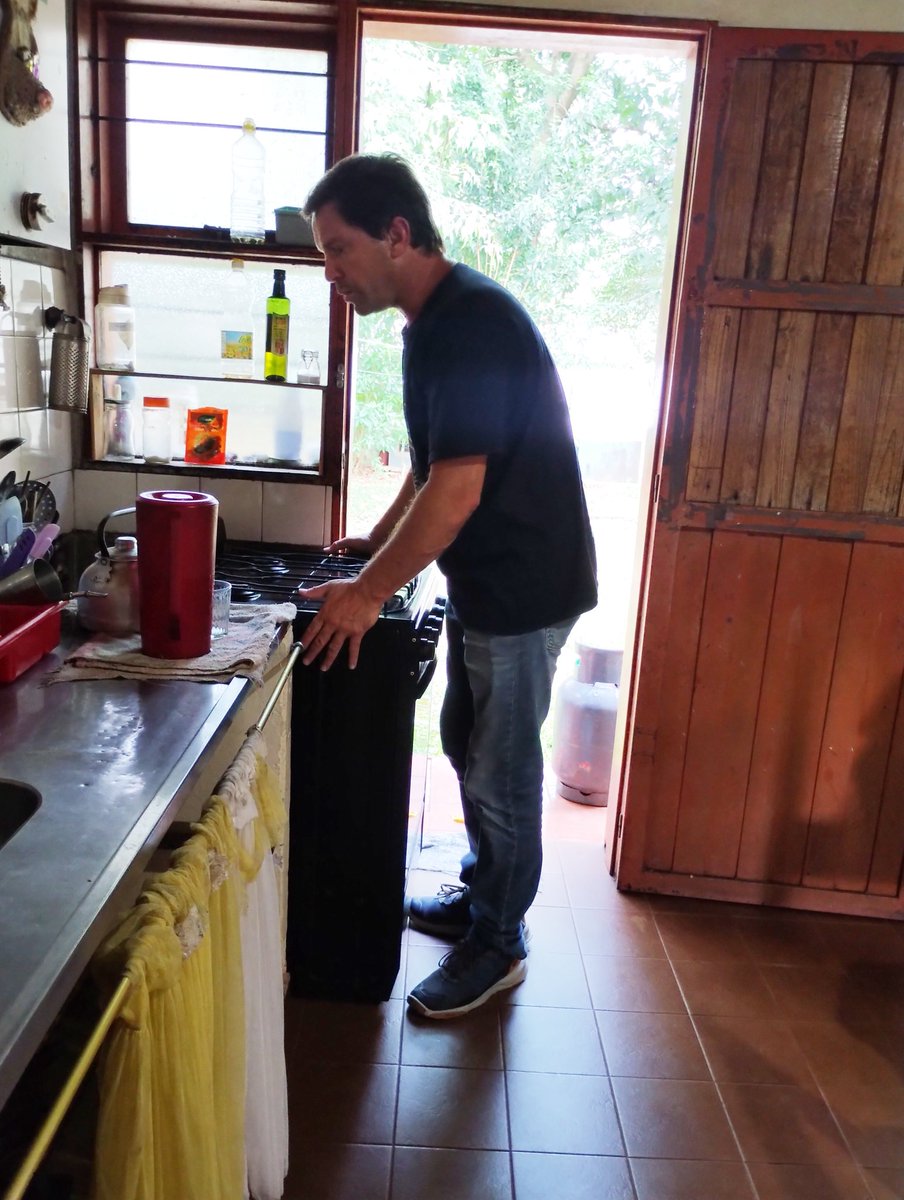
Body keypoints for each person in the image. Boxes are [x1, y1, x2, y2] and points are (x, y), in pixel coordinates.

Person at [299, 153, 597, 1019]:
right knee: (469, 745)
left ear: (396, 234)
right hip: (490, 582)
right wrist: (376, 544)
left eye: (339, 249)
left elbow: (459, 493)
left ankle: (499, 944)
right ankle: (483, 897)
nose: (333, 272)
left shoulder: (471, 324)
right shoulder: (429, 326)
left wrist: (364, 594)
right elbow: (435, 470)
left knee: (501, 774)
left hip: (527, 586)